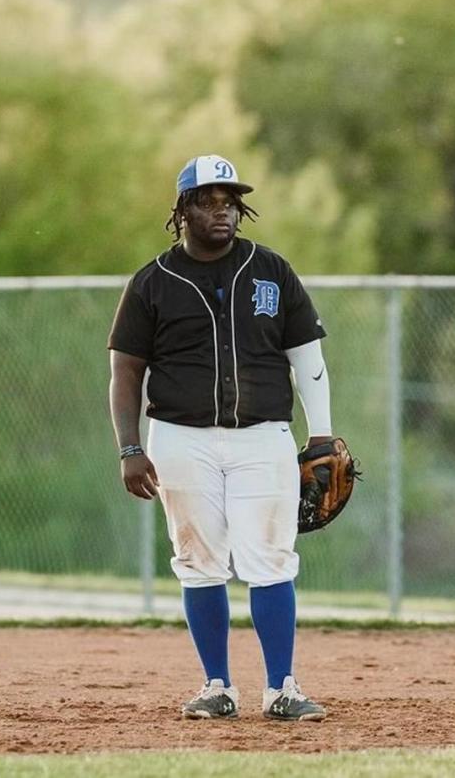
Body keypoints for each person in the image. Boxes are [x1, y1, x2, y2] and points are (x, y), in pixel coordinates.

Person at [107, 154, 335, 721]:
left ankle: (282, 688)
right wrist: (130, 448)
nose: (222, 211)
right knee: (199, 560)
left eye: (229, 201)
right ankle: (217, 686)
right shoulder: (152, 282)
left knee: (272, 558)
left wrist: (324, 435)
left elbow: (307, 357)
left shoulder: (272, 270)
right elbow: (126, 373)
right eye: (207, 201)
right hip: (179, 439)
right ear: (181, 210)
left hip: (263, 436)